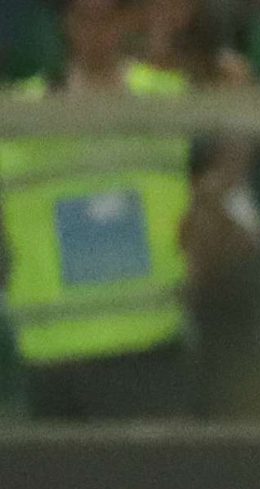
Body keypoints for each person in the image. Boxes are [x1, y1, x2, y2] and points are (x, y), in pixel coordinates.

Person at [0, 0, 201, 420]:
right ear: (65, 25)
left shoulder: (169, 100)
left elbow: (218, 177)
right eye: (84, 19)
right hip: (52, 354)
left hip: (148, 347)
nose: (96, 32)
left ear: (125, 23)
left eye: (107, 17)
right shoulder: (17, 116)